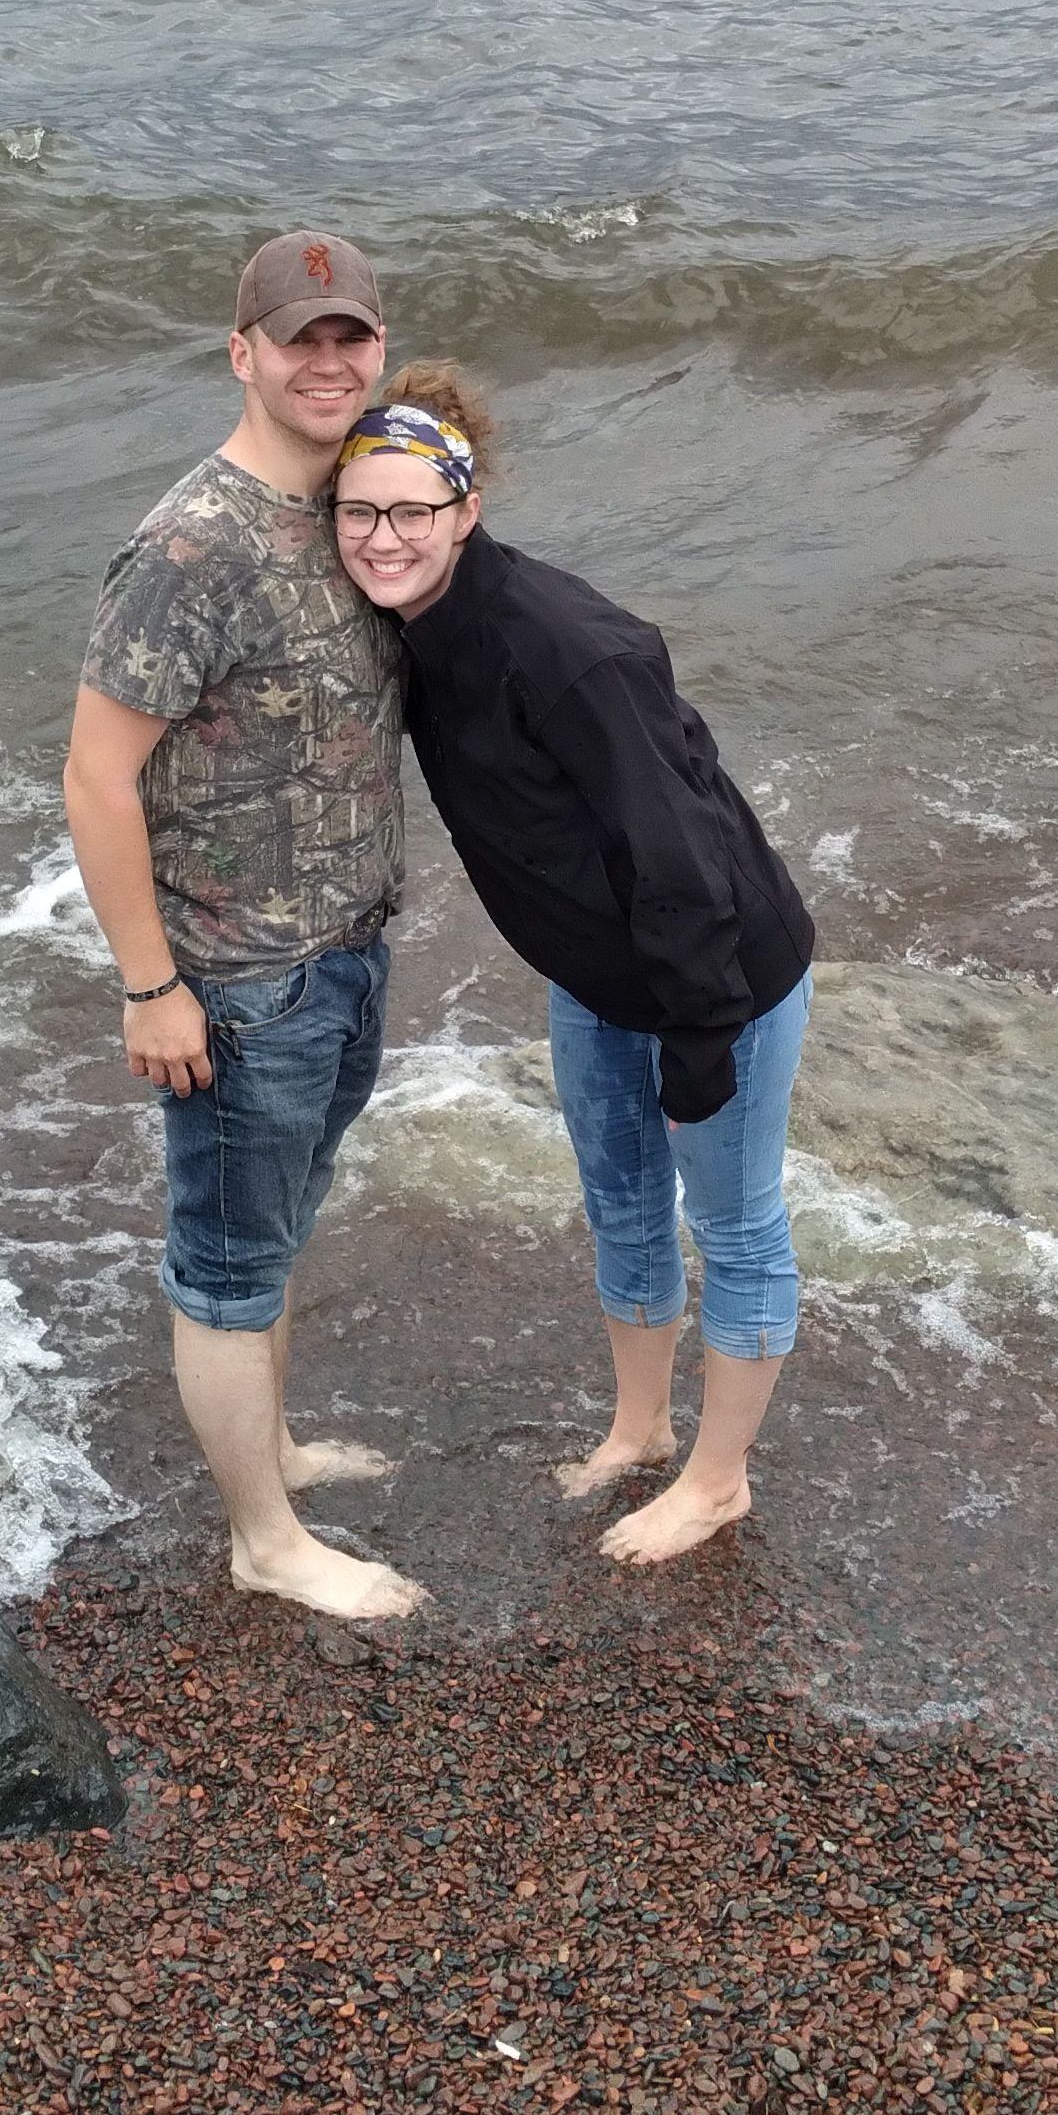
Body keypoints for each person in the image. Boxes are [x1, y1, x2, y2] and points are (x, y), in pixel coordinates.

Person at [326, 369, 818, 1571]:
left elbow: (683, 849)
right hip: (599, 978)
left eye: (411, 510)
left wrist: (701, 1033)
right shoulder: (412, 627)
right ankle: (641, 1430)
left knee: (736, 1224)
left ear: (466, 506)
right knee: (621, 1204)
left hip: (719, 976)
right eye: (358, 513)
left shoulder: (564, 650)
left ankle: (716, 1479)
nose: (384, 537)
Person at [63, 229, 427, 1622]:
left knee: (279, 1227)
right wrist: (151, 988)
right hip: (236, 980)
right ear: (244, 355)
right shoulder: (190, 546)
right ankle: (263, 1539)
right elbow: (96, 779)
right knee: (225, 1265)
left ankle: (270, 1448)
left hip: (343, 948)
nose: (327, 363)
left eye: (351, 340)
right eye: (299, 341)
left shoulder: (355, 506)